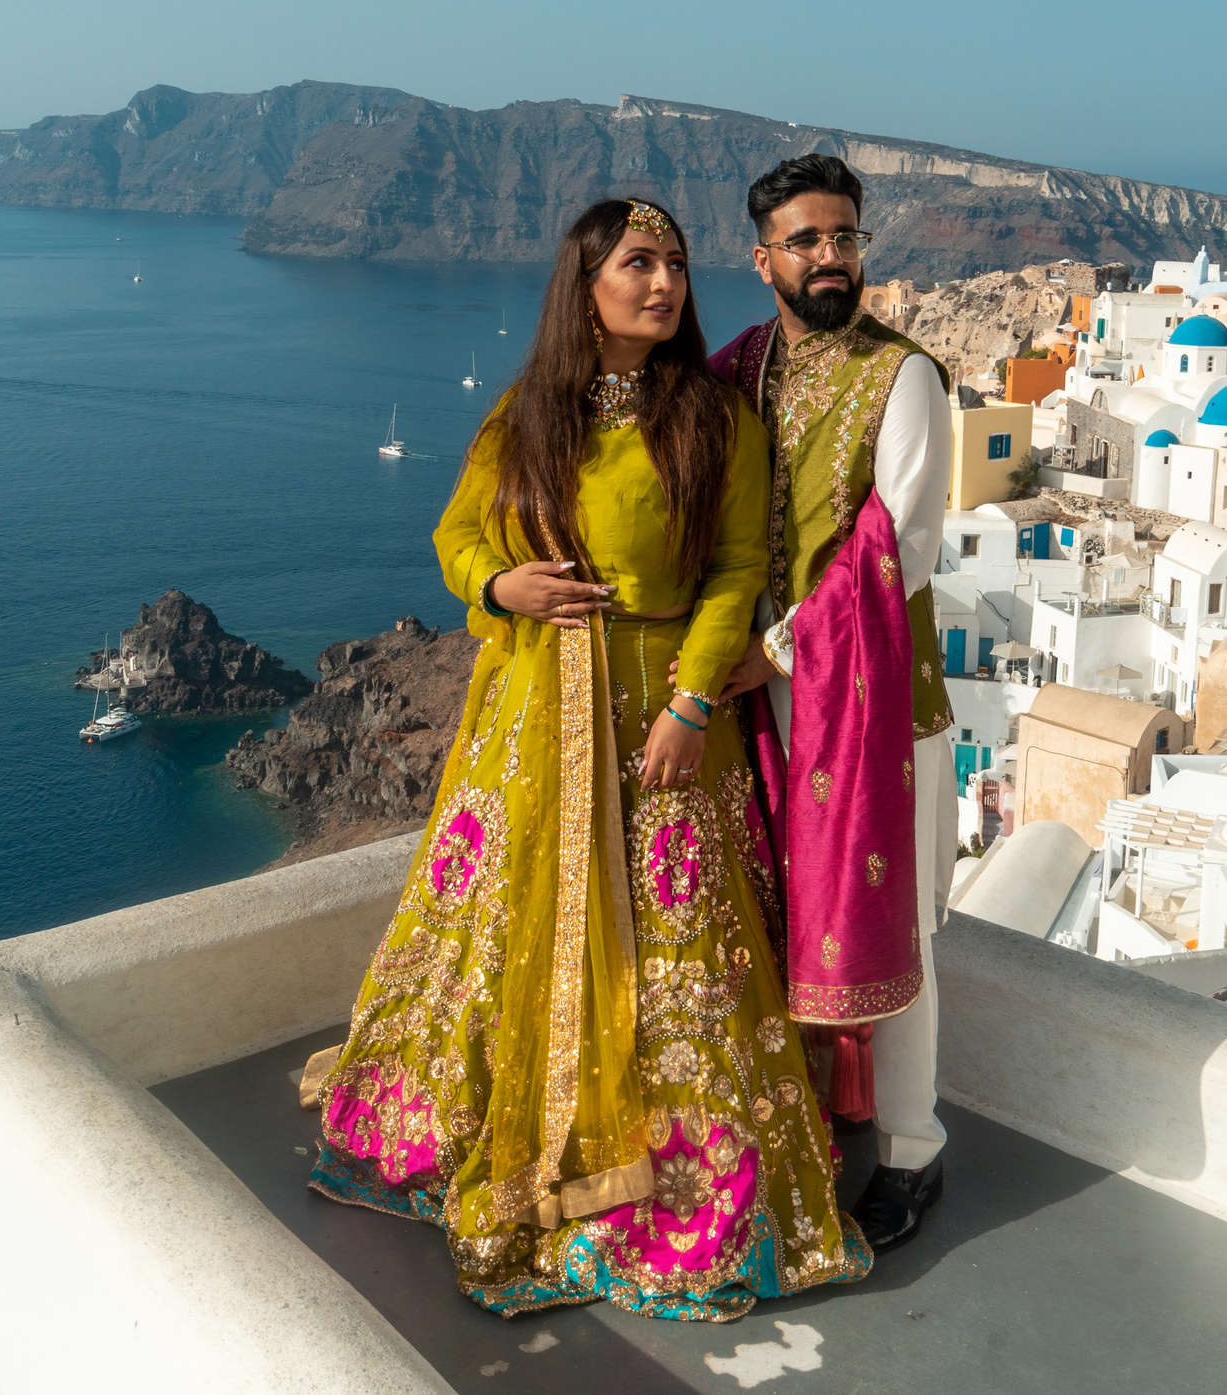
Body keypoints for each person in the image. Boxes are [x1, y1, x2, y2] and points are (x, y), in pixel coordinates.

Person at [306, 198, 872, 1321]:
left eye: (674, 264)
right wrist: (497, 584)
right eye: (637, 263)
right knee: (509, 928)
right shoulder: (528, 411)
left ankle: (659, 1187)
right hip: (528, 714)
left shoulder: (711, 417)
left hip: (662, 714)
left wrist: (692, 703)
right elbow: (456, 535)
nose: (663, 283)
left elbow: (734, 571)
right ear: (586, 283)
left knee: (673, 954)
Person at [707, 154, 957, 1252]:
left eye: (844, 237)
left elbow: (901, 549)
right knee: (768, 914)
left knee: (893, 925)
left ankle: (912, 1148)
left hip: (873, 707)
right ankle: (793, 1115)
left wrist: (772, 648)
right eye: (805, 240)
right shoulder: (736, 369)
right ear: (761, 258)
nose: (829, 257)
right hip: (755, 702)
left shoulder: (904, 378)